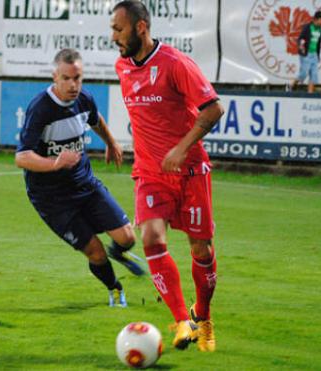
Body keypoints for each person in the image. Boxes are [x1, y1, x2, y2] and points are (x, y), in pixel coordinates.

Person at [110, 1, 225, 352]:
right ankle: (181, 321)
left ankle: (202, 315)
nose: (114, 36)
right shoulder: (122, 66)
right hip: (150, 172)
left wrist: (180, 148)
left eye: (119, 29)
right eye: (113, 29)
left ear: (141, 27)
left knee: (200, 249)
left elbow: (214, 109)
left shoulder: (175, 64)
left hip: (189, 170)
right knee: (152, 238)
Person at [15, 48, 145, 308]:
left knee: (128, 238)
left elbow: (95, 120)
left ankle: (117, 252)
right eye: (66, 78)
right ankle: (115, 289)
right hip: (52, 199)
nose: (73, 85)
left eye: (78, 78)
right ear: (55, 77)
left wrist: (110, 142)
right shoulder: (40, 109)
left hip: (84, 185)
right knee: (94, 252)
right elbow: (22, 157)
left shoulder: (84, 99)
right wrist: (55, 163)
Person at [291, 11, 321, 93]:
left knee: (313, 75)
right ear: (316, 19)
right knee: (303, 73)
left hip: (314, 55)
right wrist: (301, 47)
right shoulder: (308, 27)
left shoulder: (319, 29)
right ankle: (292, 85)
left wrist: (318, 55)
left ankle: (310, 94)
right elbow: (300, 38)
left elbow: (318, 42)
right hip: (306, 54)